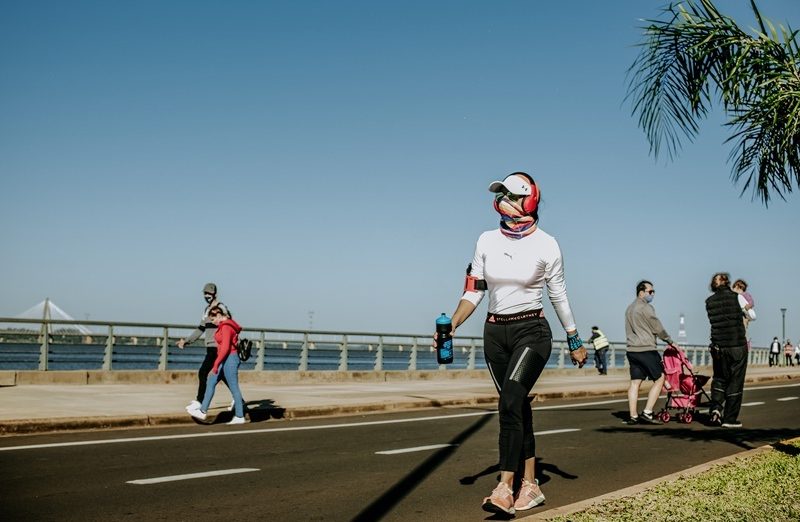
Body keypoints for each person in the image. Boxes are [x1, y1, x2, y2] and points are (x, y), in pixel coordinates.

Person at [435, 172, 587, 516]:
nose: (502, 198)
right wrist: (454, 325)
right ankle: (530, 486)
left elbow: (558, 294)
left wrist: (574, 338)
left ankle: (505, 487)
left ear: (529, 200)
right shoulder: (486, 240)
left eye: (510, 194)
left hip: (531, 332)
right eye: (500, 193)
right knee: (516, 407)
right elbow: (473, 290)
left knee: (509, 402)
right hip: (495, 335)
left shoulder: (548, 244)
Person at [623, 280, 675, 425]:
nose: (653, 294)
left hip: (632, 350)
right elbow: (657, 327)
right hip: (646, 349)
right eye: (650, 292)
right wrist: (669, 340)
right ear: (642, 292)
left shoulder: (629, 308)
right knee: (660, 379)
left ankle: (633, 416)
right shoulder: (646, 308)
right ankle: (648, 412)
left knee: (635, 383)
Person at [177, 283, 232, 411]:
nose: (207, 296)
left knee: (203, 372)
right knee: (223, 375)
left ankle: (199, 401)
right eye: (205, 293)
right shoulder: (206, 310)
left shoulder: (221, 307)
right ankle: (239, 400)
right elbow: (200, 329)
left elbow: (229, 324)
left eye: (209, 293)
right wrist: (186, 341)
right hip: (210, 347)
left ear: (215, 294)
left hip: (218, 348)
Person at [187, 306, 246, 424]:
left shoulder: (227, 327)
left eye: (213, 319)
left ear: (218, 315)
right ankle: (202, 411)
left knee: (234, 387)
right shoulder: (223, 326)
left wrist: (216, 364)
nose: (212, 322)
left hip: (230, 359)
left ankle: (239, 416)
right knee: (211, 381)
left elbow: (224, 349)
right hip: (224, 359)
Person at [705, 272, 748, 428]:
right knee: (735, 380)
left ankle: (715, 410)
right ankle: (729, 419)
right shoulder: (737, 297)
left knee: (720, 378)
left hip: (718, 346)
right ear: (727, 282)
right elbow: (751, 314)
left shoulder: (709, 302)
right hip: (737, 345)